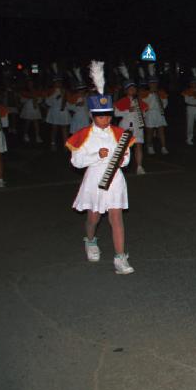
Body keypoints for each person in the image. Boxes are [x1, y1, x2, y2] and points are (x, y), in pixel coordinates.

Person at [67, 61, 135, 275]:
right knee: (93, 218)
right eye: (100, 116)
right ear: (93, 116)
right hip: (95, 179)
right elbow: (76, 162)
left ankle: (120, 258)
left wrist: (122, 157)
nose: (104, 119)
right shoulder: (84, 135)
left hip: (115, 179)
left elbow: (126, 161)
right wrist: (97, 155)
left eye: (107, 115)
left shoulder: (119, 133)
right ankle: (90, 240)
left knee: (116, 218)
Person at [113, 65, 147, 175]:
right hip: (126, 126)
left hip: (137, 126)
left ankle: (139, 167)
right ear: (126, 90)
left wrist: (142, 116)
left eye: (134, 88)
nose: (133, 90)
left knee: (138, 145)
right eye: (130, 88)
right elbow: (116, 113)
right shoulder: (122, 100)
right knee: (124, 147)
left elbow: (144, 112)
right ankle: (121, 166)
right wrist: (128, 110)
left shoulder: (139, 101)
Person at [142, 64, 169, 156]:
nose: (153, 85)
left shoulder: (161, 92)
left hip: (159, 113)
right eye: (152, 83)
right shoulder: (145, 93)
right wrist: (151, 94)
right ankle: (149, 146)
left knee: (161, 131)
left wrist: (157, 95)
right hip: (149, 114)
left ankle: (163, 147)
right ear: (149, 84)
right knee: (149, 131)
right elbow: (145, 105)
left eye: (155, 83)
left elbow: (164, 104)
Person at [44, 65, 71, 151]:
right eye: (56, 82)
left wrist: (64, 96)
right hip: (54, 111)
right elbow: (48, 102)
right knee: (54, 128)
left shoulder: (65, 90)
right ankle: (53, 143)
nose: (58, 84)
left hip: (63, 111)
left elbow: (69, 101)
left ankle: (65, 145)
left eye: (59, 82)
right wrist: (56, 97)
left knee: (64, 128)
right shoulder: (51, 91)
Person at [19, 75, 44, 144]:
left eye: (31, 83)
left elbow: (40, 99)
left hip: (35, 108)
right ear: (27, 84)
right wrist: (30, 98)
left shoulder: (36, 90)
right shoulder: (24, 91)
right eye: (29, 83)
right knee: (28, 122)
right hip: (28, 107)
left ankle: (37, 136)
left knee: (36, 122)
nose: (30, 84)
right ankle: (25, 134)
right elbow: (22, 100)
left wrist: (36, 100)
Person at [66, 71, 91, 137]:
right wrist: (76, 105)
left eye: (83, 89)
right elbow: (68, 107)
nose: (82, 91)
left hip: (85, 118)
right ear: (77, 90)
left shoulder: (87, 97)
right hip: (77, 118)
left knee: (85, 134)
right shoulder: (74, 96)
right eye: (80, 89)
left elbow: (89, 108)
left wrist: (90, 116)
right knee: (76, 133)